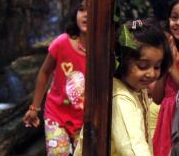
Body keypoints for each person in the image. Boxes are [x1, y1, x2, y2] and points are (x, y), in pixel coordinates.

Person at [74, 18, 172, 156]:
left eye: (157, 66)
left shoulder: (136, 89)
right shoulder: (121, 99)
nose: (151, 73)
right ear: (123, 61)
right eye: (142, 66)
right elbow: (134, 148)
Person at [23, 0, 87, 155]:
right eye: (81, 9)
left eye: (91, 10)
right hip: (56, 115)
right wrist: (34, 108)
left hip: (86, 120)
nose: (85, 14)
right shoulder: (61, 43)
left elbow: (132, 26)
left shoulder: (103, 50)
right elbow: (44, 72)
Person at [152, 0, 179, 156]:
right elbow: (157, 98)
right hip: (166, 117)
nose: (177, 23)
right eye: (174, 17)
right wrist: (164, 64)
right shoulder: (167, 49)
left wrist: (171, 65)